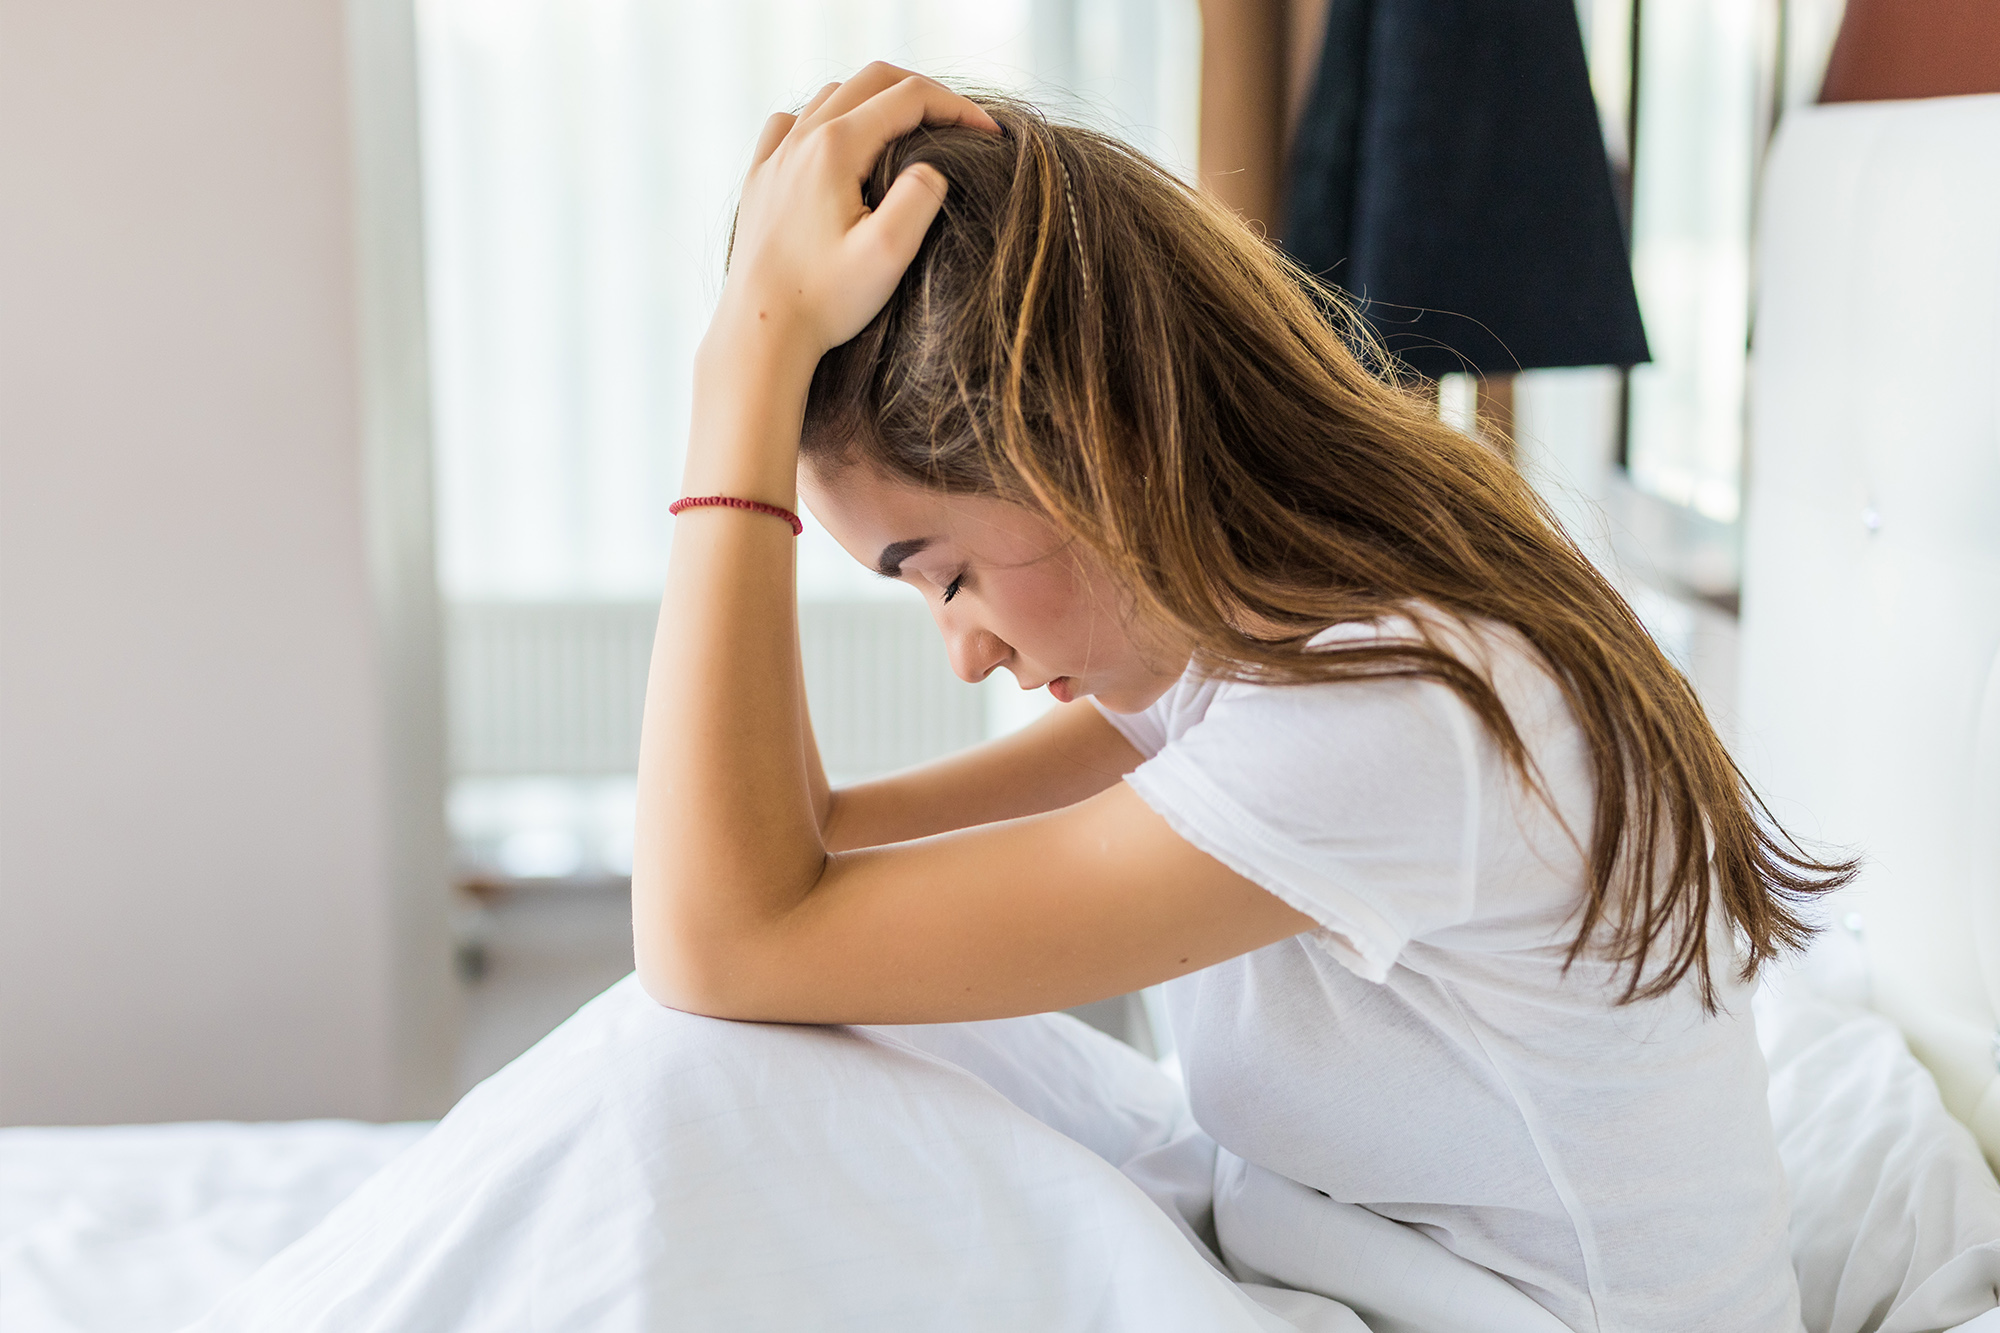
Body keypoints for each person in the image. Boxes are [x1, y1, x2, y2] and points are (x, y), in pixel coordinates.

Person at [632, 63, 1855, 1331]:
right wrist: (761, 342)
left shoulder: (1388, 704)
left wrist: (745, 379)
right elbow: (792, 852)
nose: (964, 651)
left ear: (1077, 445)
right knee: (732, 1079)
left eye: (945, 575)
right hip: (1333, 1270)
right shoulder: (1241, 629)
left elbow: (723, 936)